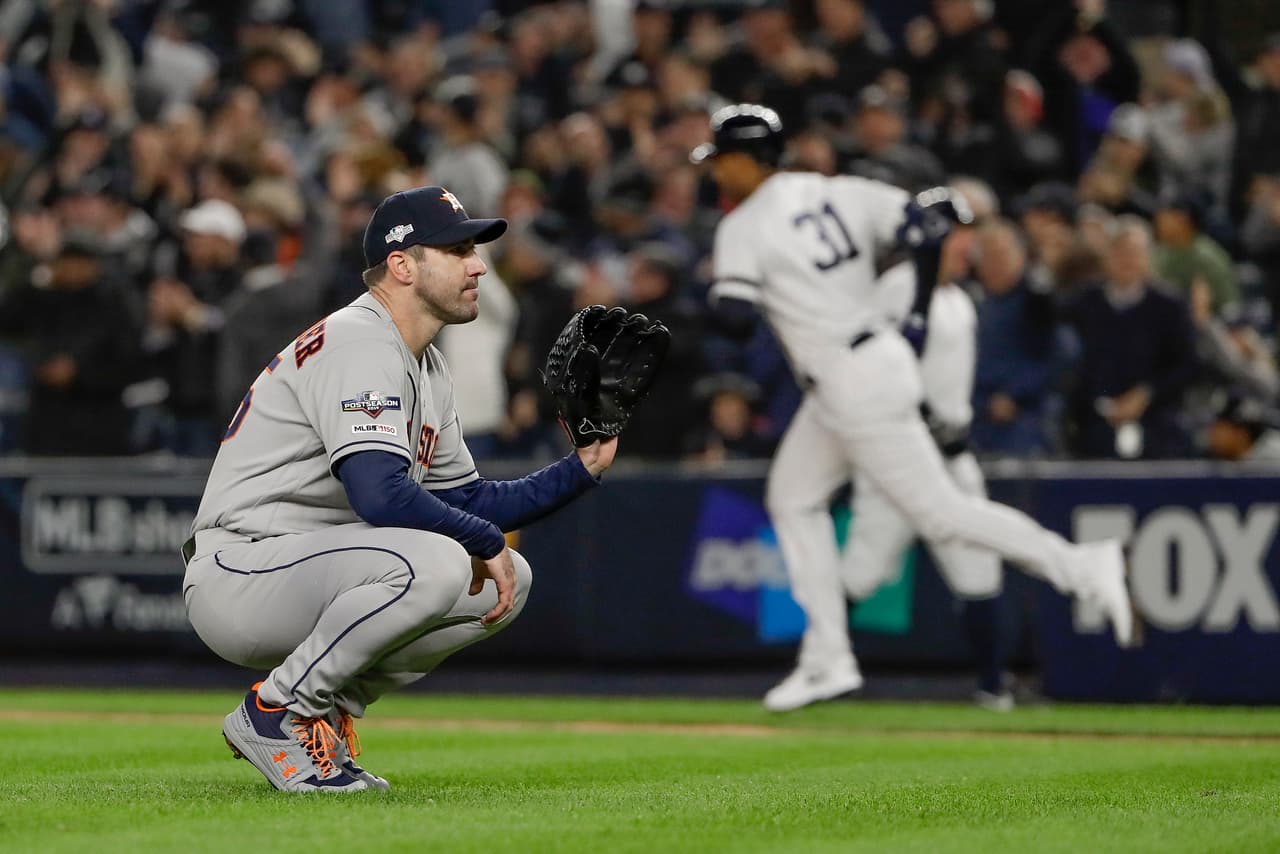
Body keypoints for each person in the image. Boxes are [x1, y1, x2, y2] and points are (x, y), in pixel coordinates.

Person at [692, 104, 1133, 713]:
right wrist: (919, 309)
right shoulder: (839, 189)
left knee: (945, 514)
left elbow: (735, 318)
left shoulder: (743, 225)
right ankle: (827, 658)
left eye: (721, 160)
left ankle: (1083, 567)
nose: (716, 173)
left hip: (851, 381)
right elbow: (927, 224)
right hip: (869, 364)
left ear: (744, 159)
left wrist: (707, 300)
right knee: (792, 497)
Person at [183, 186, 615, 793]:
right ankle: (277, 710)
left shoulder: (424, 363)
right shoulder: (361, 339)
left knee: (507, 576)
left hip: (310, 564)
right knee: (441, 561)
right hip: (242, 568)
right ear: (403, 264)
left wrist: (582, 467)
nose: (479, 265)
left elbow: (469, 501)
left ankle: (322, 712)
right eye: (458, 248)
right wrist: (478, 536)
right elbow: (379, 495)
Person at [846, 222, 1012, 711]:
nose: (968, 248)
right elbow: (872, 361)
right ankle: (820, 667)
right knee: (863, 571)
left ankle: (993, 686)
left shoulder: (960, 299)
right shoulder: (897, 288)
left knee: (980, 567)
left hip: (952, 456)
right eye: (958, 238)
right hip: (896, 454)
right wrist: (914, 413)